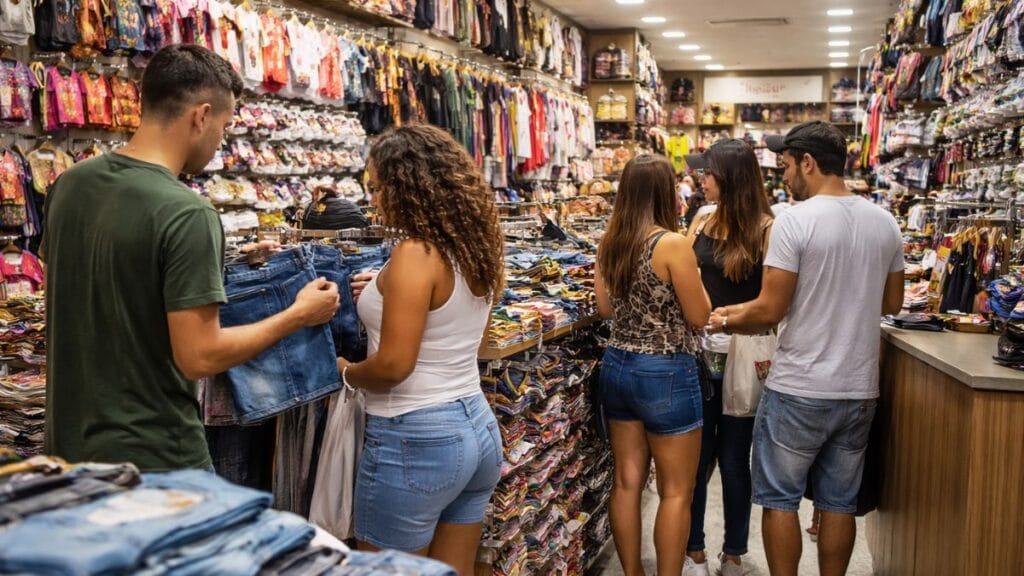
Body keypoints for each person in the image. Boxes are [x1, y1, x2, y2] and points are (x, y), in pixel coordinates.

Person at [41, 44, 341, 472]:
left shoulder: (70, 185)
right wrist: (298, 315)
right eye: (225, 124)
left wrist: (224, 264)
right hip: (155, 459)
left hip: (69, 449)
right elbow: (200, 356)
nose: (222, 140)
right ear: (201, 116)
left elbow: (91, 291)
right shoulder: (188, 212)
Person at [707, 121, 904, 576]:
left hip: (799, 385)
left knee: (780, 499)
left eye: (788, 164)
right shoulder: (884, 220)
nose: (786, 174)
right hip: (858, 389)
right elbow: (892, 303)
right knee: (839, 502)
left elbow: (771, 309)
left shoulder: (794, 219)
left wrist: (725, 316)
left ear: (809, 163)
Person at [335, 124, 505, 574]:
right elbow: (473, 338)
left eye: (377, 187)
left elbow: (394, 366)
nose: (373, 199)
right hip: (476, 426)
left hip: (414, 436)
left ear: (406, 184)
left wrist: (346, 372)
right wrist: (382, 292)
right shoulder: (472, 247)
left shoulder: (415, 252)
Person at [594, 154, 711, 576]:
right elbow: (699, 316)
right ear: (667, 193)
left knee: (627, 481)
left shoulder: (610, 242)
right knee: (676, 490)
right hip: (666, 370)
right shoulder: (672, 244)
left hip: (617, 365)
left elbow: (605, 309)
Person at [682, 139, 774, 576]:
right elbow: (682, 276)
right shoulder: (700, 219)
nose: (702, 179)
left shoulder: (767, 229)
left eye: (709, 172)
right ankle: (694, 548)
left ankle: (733, 550)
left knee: (736, 459)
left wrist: (726, 319)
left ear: (731, 178)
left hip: (744, 355)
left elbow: (774, 302)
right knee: (696, 459)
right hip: (699, 354)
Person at [300, 184, 371, 230]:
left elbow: (307, 226)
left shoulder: (314, 207)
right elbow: (362, 221)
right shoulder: (349, 203)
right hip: (356, 236)